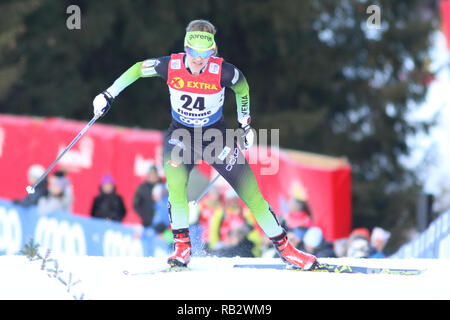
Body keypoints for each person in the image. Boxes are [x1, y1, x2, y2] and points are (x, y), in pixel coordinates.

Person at [92, 19, 317, 270]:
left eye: (205, 53)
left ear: (213, 50)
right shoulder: (170, 65)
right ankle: (182, 247)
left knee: (252, 196)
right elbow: (136, 69)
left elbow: (243, 88)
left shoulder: (224, 72)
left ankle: (287, 250)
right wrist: (108, 94)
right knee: (176, 188)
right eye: (193, 52)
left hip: (215, 138)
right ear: (185, 48)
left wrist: (245, 123)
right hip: (181, 135)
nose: (198, 59)